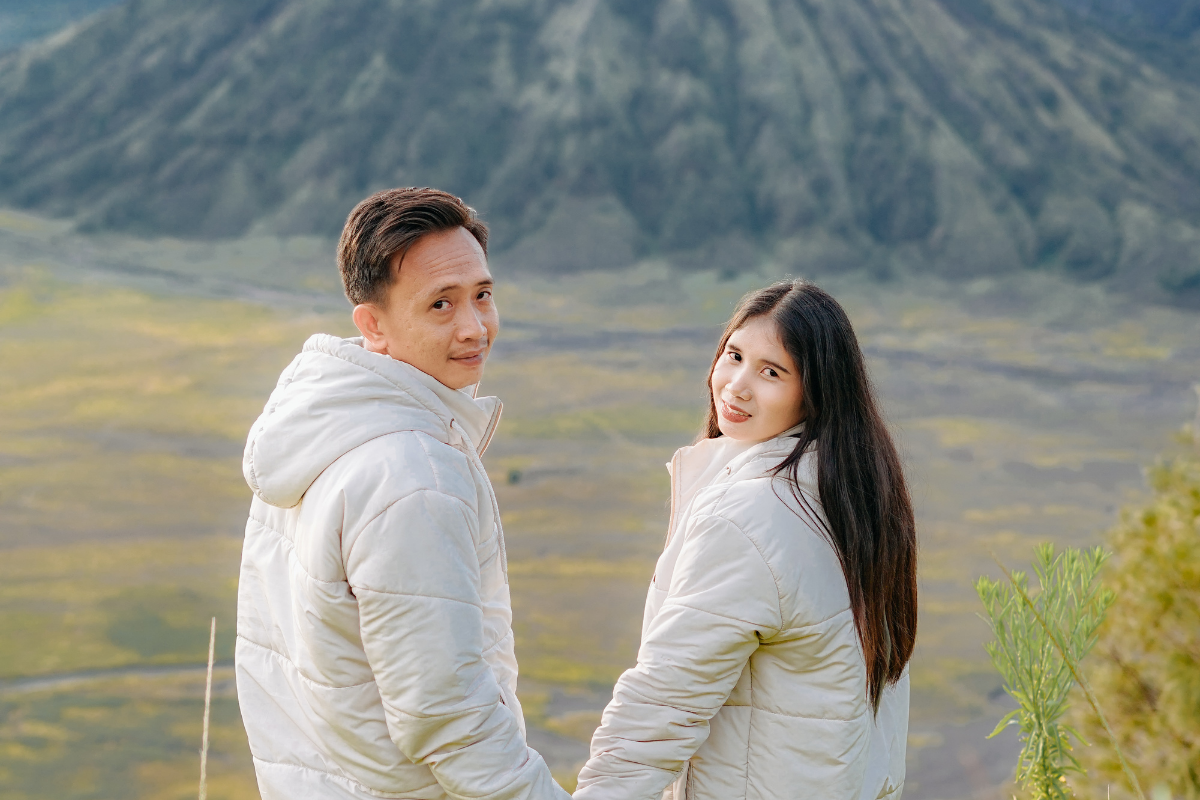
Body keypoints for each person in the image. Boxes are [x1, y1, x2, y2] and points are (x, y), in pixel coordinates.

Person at [235, 188, 570, 800]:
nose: (475, 328)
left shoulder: (319, 426)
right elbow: (449, 716)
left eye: (483, 296)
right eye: (440, 304)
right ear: (373, 326)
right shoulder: (413, 476)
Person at [574, 280, 918, 800]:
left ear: (816, 391)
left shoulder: (751, 518)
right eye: (733, 355)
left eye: (771, 372)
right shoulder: (856, 497)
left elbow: (663, 703)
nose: (736, 385)